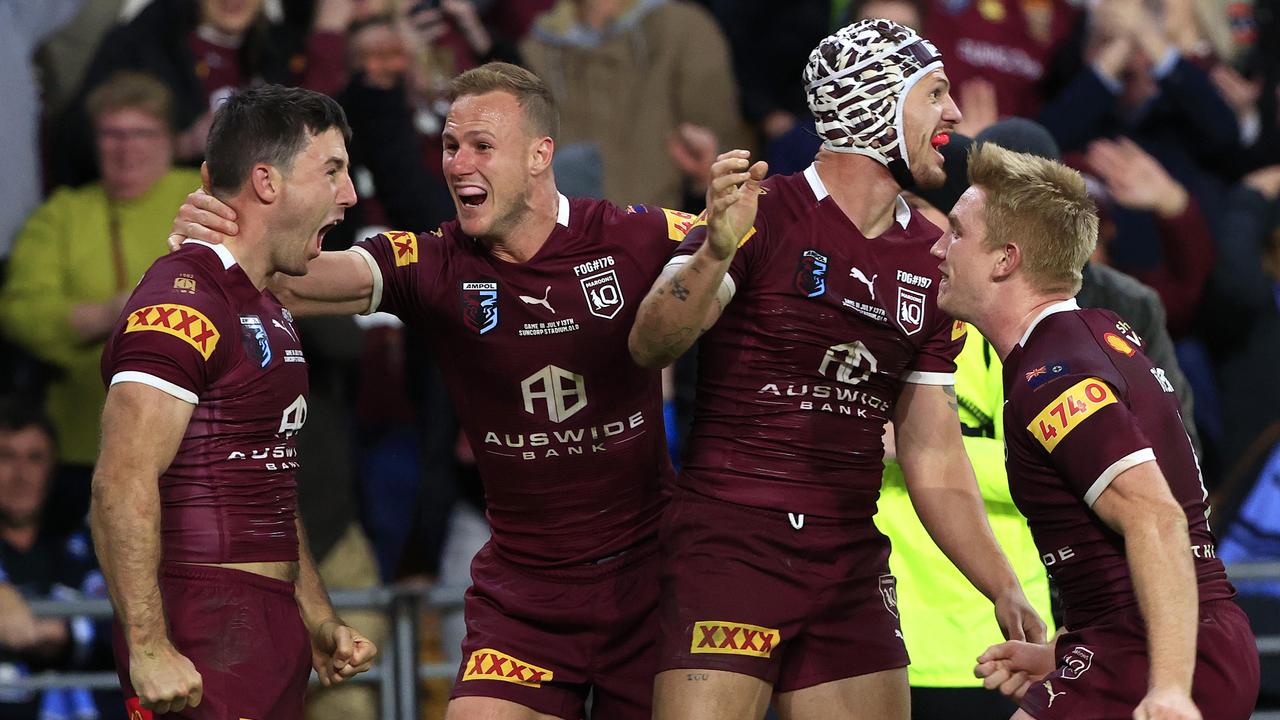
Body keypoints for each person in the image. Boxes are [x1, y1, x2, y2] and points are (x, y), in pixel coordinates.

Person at [170, 61, 693, 720]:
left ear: (540, 155)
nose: (457, 163)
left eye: (481, 145)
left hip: (650, 580)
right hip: (526, 599)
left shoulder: (634, 235)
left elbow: (755, 253)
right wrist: (218, 243)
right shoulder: (435, 264)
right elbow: (290, 279)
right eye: (450, 145)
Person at [629, 19, 1045, 720]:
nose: (954, 114)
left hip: (848, 562)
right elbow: (651, 344)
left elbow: (933, 453)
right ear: (876, 104)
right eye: (935, 94)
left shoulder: (928, 260)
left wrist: (1001, 585)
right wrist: (713, 254)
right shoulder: (760, 213)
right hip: (731, 547)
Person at [933, 142, 1259, 719]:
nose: (938, 247)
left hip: (1155, 654)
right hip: (1153, 641)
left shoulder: (1052, 377)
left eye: (956, 232)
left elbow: (1157, 517)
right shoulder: (1098, 332)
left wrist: (1169, 688)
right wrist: (1064, 651)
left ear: (1005, 259)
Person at [91, 84, 376, 719]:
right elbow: (119, 480)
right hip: (203, 627)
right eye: (331, 170)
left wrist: (318, 616)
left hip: (262, 629)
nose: (350, 193)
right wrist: (149, 647)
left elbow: (264, 480)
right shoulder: (181, 302)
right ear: (267, 183)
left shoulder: (265, 303)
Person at [0, 71, 202, 534]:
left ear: (170, 140)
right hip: (82, 446)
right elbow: (20, 312)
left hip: (191, 445)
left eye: (142, 133)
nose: (126, 147)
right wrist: (109, 313)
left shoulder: (201, 199)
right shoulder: (62, 214)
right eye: (112, 133)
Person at [0, 401, 119, 720]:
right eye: (6, 457)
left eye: (35, 458)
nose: (21, 474)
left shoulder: (96, 546)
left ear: (53, 468)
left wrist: (63, 634)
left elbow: (141, 625)